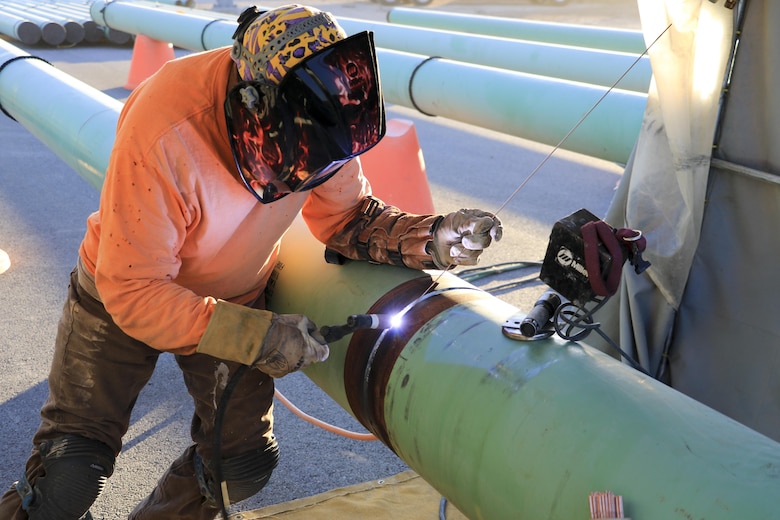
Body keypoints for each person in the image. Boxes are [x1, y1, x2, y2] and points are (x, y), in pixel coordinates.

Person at [0, 4, 502, 519]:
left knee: (239, 465)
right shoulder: (167, 127)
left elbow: (345, 218)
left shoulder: (324, 111)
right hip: (124, 289)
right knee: (70, 474)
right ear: (251, 107)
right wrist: (257, 336)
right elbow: (135, 290)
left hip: (232, 292)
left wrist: (431, 236)